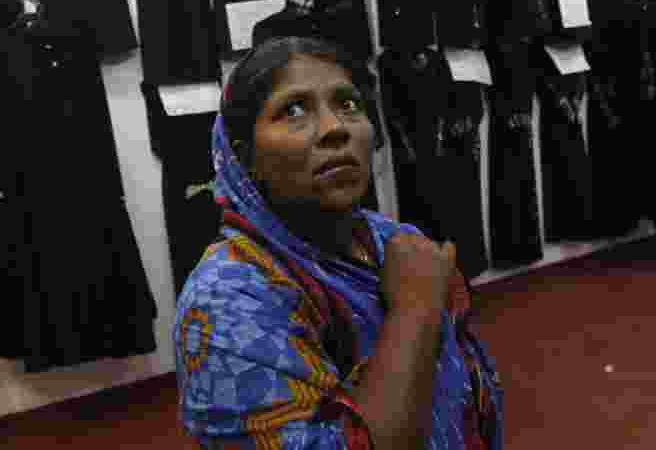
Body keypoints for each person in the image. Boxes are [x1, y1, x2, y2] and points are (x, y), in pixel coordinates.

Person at [173, 36, 503, 449]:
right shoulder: (226, 303)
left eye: (348, 104)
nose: (335, 129)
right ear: (245, 156)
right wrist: (414, 309)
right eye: (293, 110)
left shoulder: (395, 242)